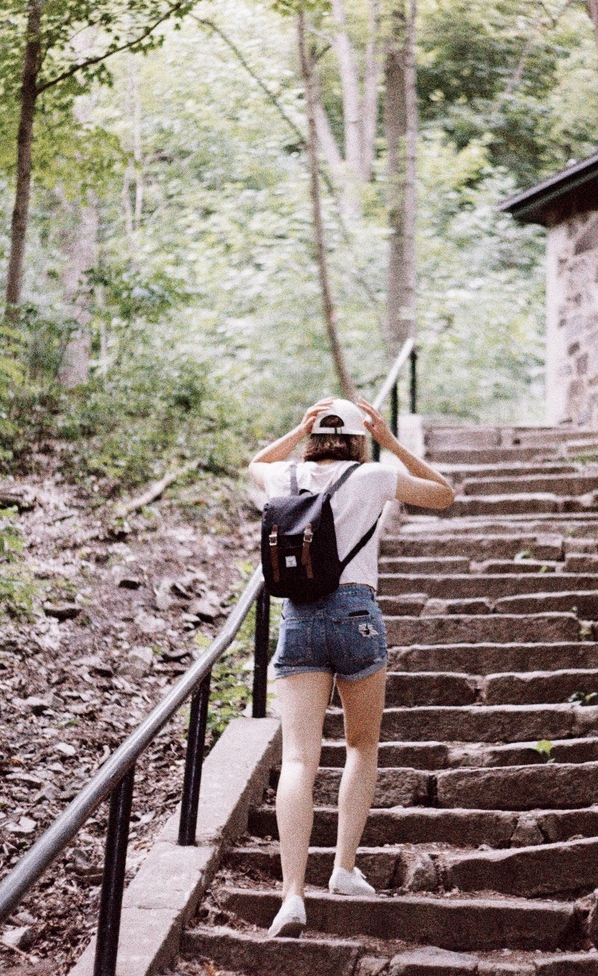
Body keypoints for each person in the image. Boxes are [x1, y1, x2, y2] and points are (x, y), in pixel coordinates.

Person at [248, 396, 455, 937]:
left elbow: (251, 464)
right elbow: (444, 493)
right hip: (357, 613)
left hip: (299, 619)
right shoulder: (372, 476)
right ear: (361, 435)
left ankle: (292, 896)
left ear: (315, 434)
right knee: (361, 746)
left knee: (298, 761)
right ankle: (342, 868)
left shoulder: (284, 476)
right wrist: (389, 442)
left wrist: (295, 429)